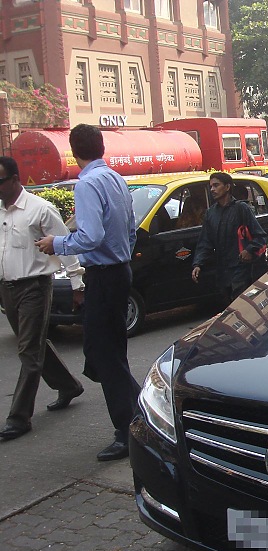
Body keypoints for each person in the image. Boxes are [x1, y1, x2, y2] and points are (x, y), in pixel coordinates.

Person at [35, 124, 141, 461]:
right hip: (118, 271)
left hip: (105, 274)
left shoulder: (89, 183)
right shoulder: (114, 178)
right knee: (108, 351)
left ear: (74, 150)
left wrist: (57, 243)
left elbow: (90, 236)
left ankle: (126, 429)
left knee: (103, 354)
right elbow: (131, 228)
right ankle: (139, 410)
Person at [0, 157, 85, 441]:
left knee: (27, 351)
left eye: (0, 181)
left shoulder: (40, 209)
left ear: (14, 179)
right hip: (8, 288)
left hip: (35, 286)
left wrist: (77, 282)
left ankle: (18, 418)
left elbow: (66, 245)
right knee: (34, 344)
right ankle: (69, 385)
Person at [191, 172, 267, 303]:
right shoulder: (211, 213)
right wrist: (198, 263)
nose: (212, 190)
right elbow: (205, 242)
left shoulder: (241, 209)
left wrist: (249, 250)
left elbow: (260, 236)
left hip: (241, 269)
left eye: (216, 185)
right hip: (222, 272)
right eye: (211, 186)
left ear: (227, 187)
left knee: (240, 305)